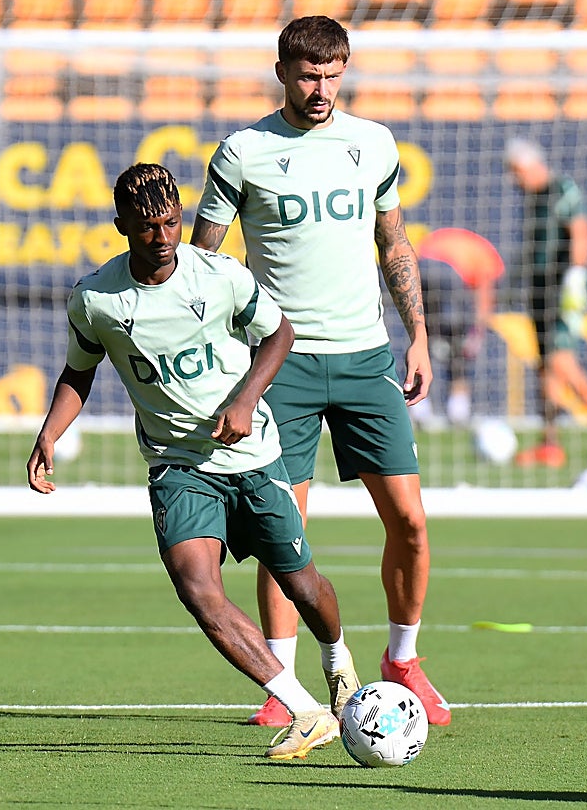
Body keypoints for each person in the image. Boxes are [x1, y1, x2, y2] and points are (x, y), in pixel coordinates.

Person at [27, 163, 360, 760]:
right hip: (177, 466)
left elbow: (280, 334)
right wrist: (50, 433)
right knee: (198, 590)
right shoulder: (96, 299)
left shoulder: (220, 276)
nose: (161, 237)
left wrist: (246, 399)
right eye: (147, 226)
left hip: (252, 456)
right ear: (121, 225)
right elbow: (80, 370)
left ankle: (338, 663)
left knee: (302, 585)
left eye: (171, 223)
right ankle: (306, 711)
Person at [191, 15, 449, 727]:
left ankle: (404, 659)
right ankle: (285, 687)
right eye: (309, 76)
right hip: (283, 366)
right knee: (286, 533)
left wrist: (418, 335)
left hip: (366, 359)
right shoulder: (243, 152)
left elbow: (394, 242)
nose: (322, 89)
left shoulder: (374, 144)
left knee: (411, 522)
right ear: (282, 72)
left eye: (334, 75)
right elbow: (203, 263)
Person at [505, 139, 587, 469]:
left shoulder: (561, 189)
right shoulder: (533, 198)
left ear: (531, 166)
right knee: (544, 366)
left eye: (517, 172)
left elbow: (580, 230)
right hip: (539, 288)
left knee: (560, 359)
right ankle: (550, 443)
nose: (514, 180)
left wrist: (577, 275)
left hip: (563, 288)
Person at [409, 228, 504, 429]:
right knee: (459, 346)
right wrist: (477, 332)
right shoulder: (489, 260)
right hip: (448, 275)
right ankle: (458, 409)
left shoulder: (466, 245)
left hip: (420, 268)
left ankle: (418, 405)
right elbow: (484, 297)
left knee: (422, 340)